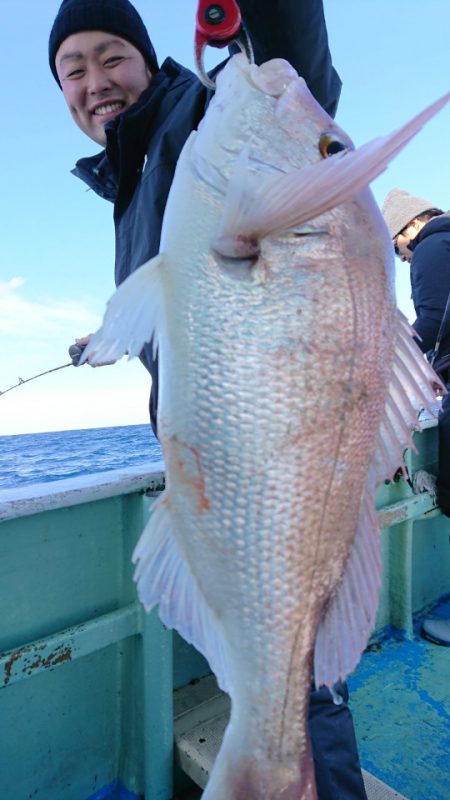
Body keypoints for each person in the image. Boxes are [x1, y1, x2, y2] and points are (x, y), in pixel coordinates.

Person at [49, 1, 368, 796]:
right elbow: (180, 302)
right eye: (72, 69)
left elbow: (293, 60)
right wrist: (109, 336)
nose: (95, 81)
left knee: (303, 694)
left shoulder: (198, 116)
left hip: (269, 480)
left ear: (149, 60)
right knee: (274, 675)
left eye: (111, 56)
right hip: (215, 473)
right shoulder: (137, 177)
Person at [382, 188, 450, 647]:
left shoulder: (431, 246)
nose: (403, 259)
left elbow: (432, 321)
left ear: (410, 226)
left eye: (397, 249)